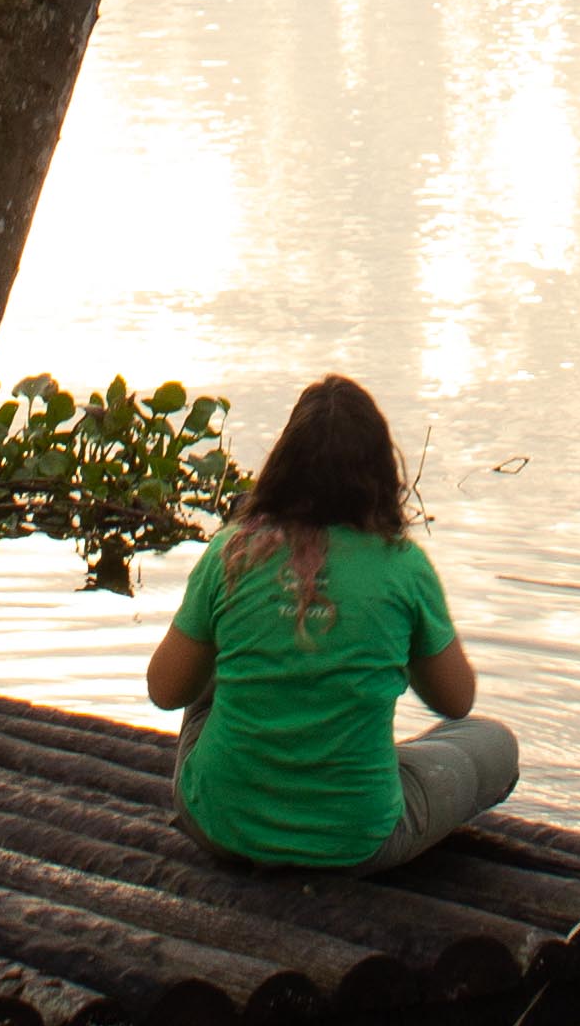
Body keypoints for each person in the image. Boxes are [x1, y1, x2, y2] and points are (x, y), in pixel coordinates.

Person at [147, 370, 520, 876]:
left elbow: (166, 690)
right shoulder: (403, 566)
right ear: (381, 475)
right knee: (493, 743)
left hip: (220, 824)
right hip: (355, 841)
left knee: (214, 649)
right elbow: (456, 702)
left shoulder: (229, 553)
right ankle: (343, 780)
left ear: (282, 466)